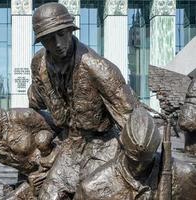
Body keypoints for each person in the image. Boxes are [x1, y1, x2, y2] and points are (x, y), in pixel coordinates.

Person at [28, 2, 137, 199]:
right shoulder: (39, 64)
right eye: (49, 39)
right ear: (42, 41)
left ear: (70, 30)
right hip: (70, 144)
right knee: (48, 196)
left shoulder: (99, 68)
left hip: (102, 144)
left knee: (87, 193)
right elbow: (36, 97)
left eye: (61, 34)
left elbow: (132, 118)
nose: (58, 43)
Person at [75, 107, 196, 200]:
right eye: (133, 161)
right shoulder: (92, 188)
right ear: (122, 144)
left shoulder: (183, 175)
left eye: (146, 162)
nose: (139, 167)